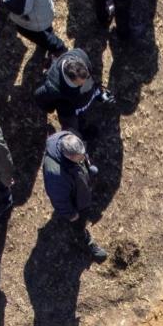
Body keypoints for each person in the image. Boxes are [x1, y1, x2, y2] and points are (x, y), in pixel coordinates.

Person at [41, 129, 108, 262]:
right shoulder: (55, 175)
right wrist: (71, 214)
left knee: (91, 174)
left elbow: (82, 154)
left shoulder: (67, 137)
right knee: (78, 223)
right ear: (69, 157)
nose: (83, 157)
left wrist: (87, 168)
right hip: (76, 202)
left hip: (78, 182)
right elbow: (59, 200)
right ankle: (83, 240)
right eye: (80, 156)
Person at [34, 47, 114, 135]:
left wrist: (97, 92)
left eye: (86, 78)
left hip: (82, 102)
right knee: (72, 128)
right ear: (69, 80)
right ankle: (80, 133)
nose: (84, 84)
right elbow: (39, 96)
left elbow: (90, 80)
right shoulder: (53, 86)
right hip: (69, 111)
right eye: (79, 84)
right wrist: (50, 108)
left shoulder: (80, 54)